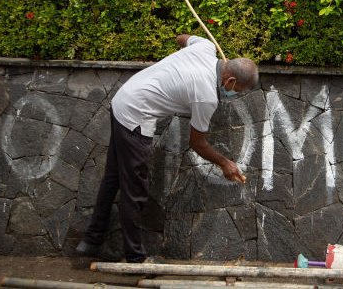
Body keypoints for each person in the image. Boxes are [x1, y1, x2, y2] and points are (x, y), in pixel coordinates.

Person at [76, 34, 259, 263]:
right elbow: (197, 143)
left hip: (124, 99)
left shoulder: (205, 47)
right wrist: (224, 163)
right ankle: (135, 258)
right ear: (229, 81)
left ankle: (91, 240)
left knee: (113, 177)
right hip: (135, 117)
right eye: (237, 90)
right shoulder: (206, 96)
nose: (234, 95)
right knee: (135, 191)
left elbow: (182, 38)